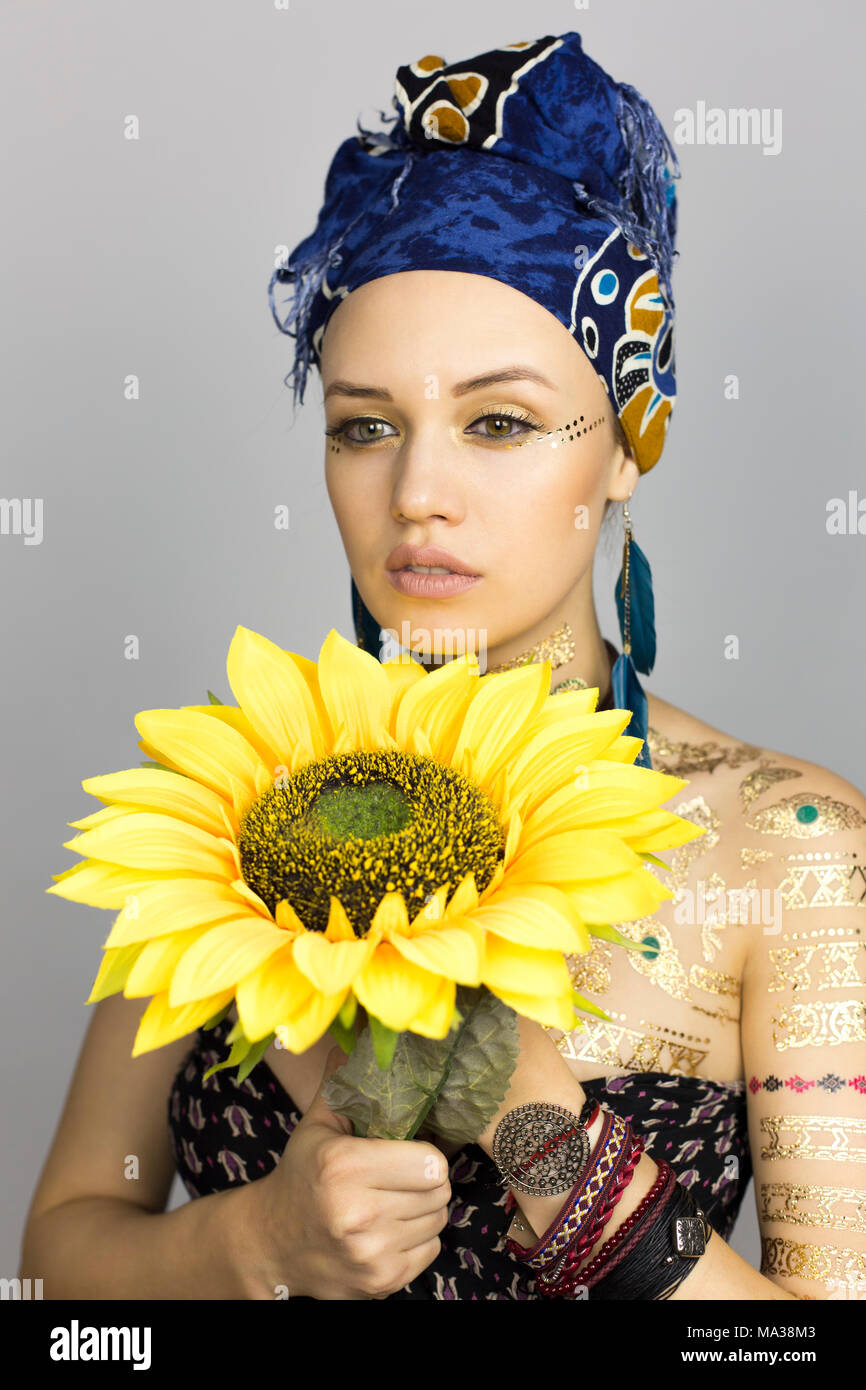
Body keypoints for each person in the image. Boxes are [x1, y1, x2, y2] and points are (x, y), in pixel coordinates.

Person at [20, 31, 866, 1303]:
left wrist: (540, 1129)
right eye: (365, 426)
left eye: (498, 424)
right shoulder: (217, 816)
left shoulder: (784, 847)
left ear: (628, 441)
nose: (416, 494)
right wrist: (253, 1246)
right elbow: (55, 1280)